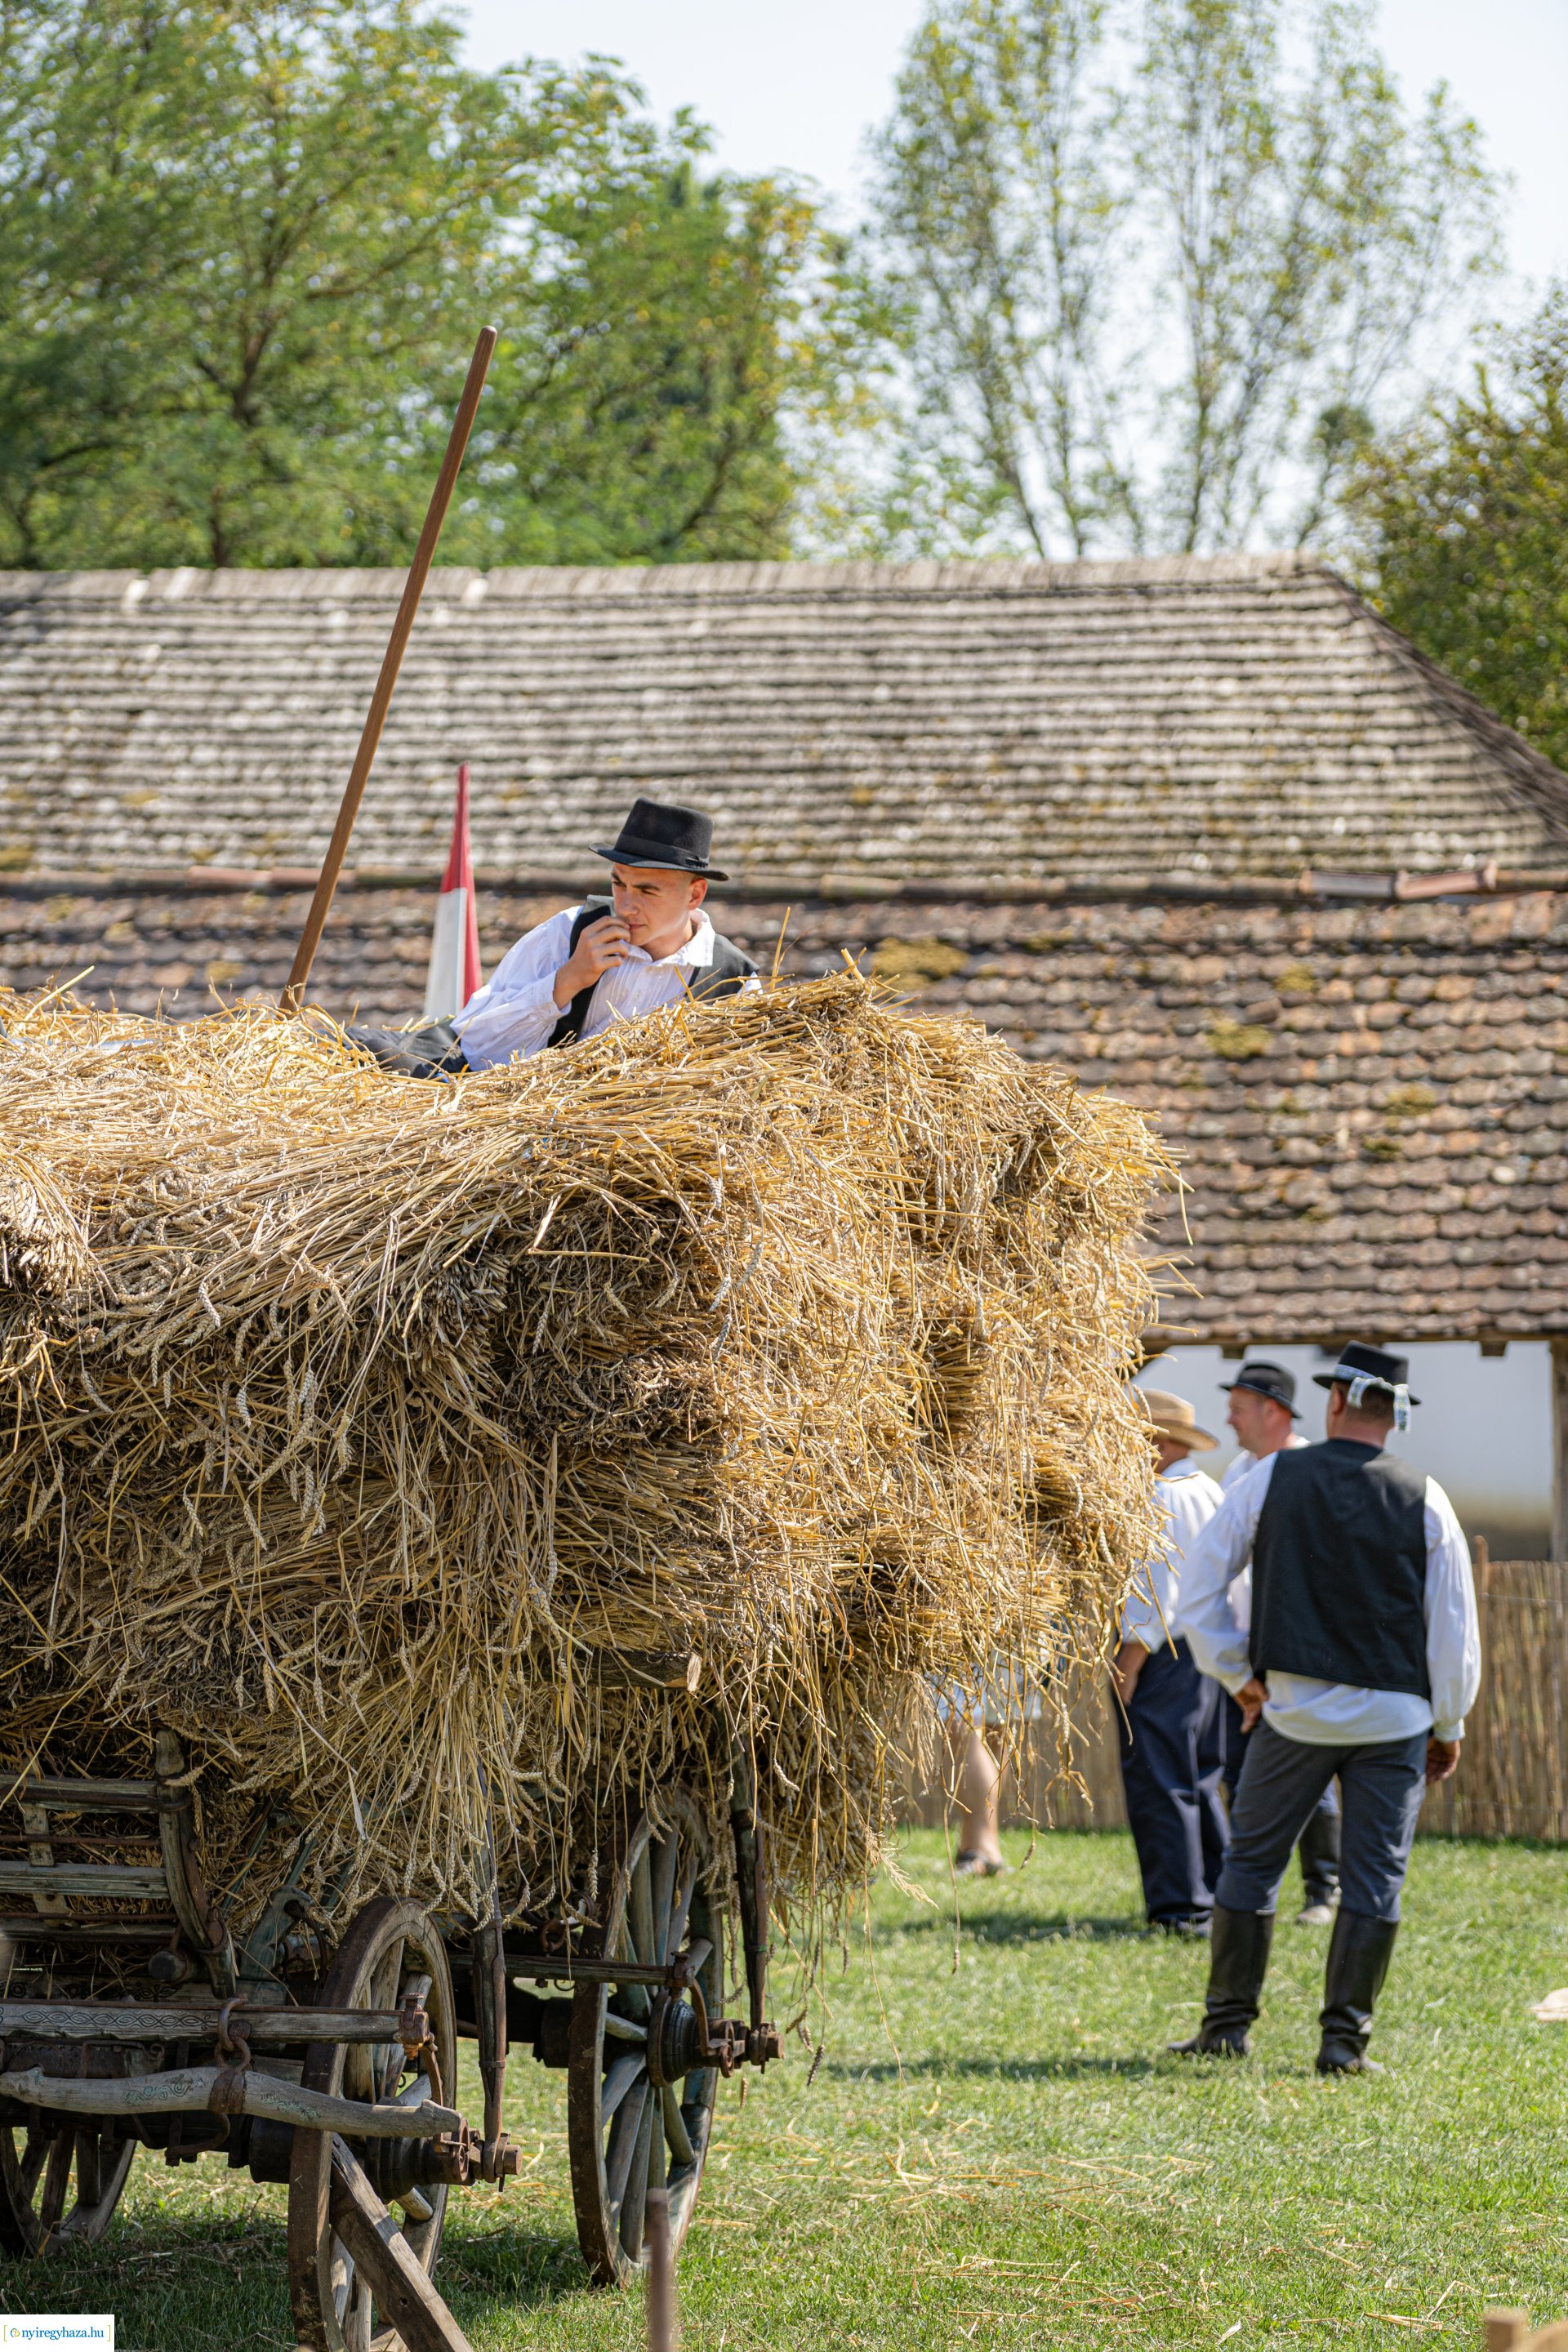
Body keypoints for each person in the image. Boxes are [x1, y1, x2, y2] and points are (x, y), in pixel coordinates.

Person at [1170, 1343, 1480, 2074]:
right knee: (1375, 1881)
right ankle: (1343, 2046)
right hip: (1395, 1725)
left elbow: (1199, 1594)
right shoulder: (1427, 1497)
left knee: (1250, 1865)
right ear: (1395, 1417)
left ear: (1335, 1402)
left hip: (1294, 1714)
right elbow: (1453, 1633)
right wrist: (1449, 1725)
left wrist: (1241, 1681)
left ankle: (1226, 2029)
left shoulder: (1271, 1477)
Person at [348, 799, 757, 1076]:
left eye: (647, 891)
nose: (627, 905)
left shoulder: (734, 983)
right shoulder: (568, 932)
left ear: (695, 894)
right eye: (619, 884)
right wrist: (569, 980)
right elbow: (475, 1044)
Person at [1216, 1361, 1341, 1928]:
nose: (1229, 1419)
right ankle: (1247, 1886)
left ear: (1273, 1411)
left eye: (1239, 1408)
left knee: (1310, 1771)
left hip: (1294, 1646)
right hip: (1242, 1647)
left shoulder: (1312, 1470)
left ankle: (1323, 1888)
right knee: (1242, 1770)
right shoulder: (1238, 1472)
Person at [1114, 1389, 1228, 1935]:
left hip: (1164, 1652)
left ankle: (1180, 1908)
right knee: (1199, 1775)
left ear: (1156, 1443)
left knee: (1159, 1779)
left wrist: (1129, 1660)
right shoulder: (1207, 1489)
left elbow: (1154, 1591)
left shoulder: (1160, 1494)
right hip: (1204, 1649)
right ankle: (1221, 1889)